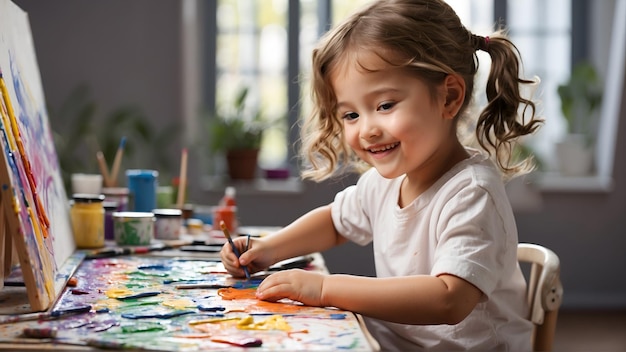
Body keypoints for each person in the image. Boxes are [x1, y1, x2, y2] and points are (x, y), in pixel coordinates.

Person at [220, 0, 543, 350]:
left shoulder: (472, 192)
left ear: (449, 97)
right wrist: (268, 249)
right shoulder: (385, 182)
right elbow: (335, 222)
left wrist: (325, 289)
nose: (367, 130)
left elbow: (449, 299)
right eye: (350, 115)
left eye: (385, 105)